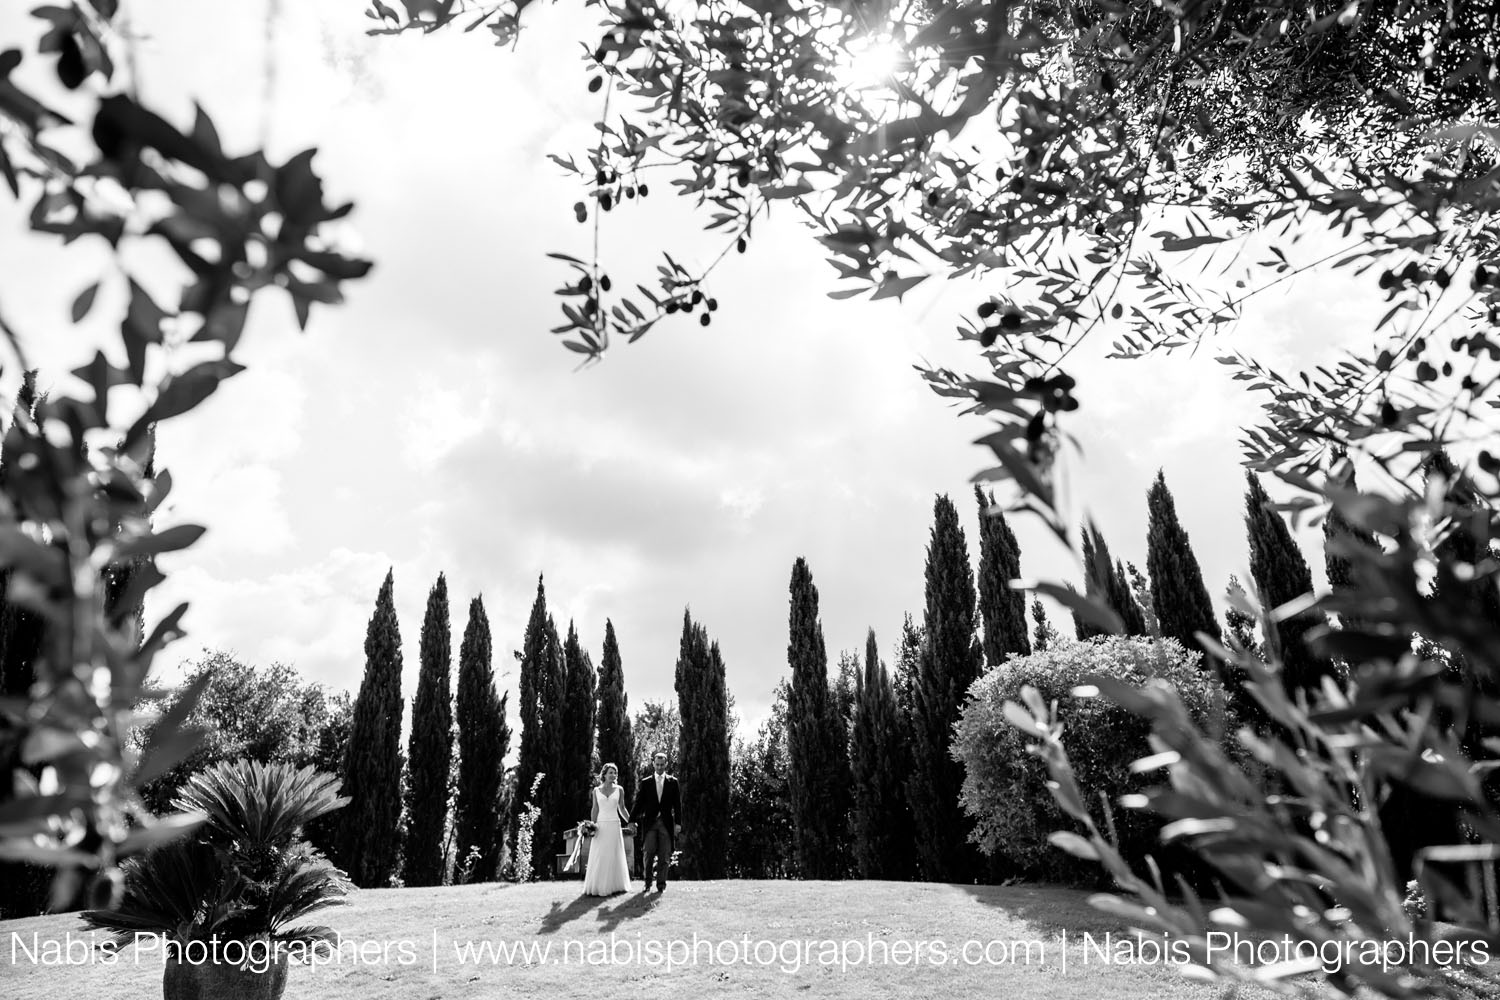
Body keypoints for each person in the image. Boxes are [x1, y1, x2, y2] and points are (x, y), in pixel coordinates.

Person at [630, 751, 680, 892]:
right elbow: (638, 803)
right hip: (650, 823)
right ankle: (647, 883)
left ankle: (661, 885)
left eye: (662, 765)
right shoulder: (646, 782)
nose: (659, 767)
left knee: (664, 856)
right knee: (648, 853)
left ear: (666, 765)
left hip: (666, 823)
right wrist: (631, 820)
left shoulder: (673, 782)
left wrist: (678, 824)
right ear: (653, 764)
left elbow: (677, 805)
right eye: (657, 764)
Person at [581, 763, 631, 896]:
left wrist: (630, 821)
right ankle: (597, 886)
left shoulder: (619, 789)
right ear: (604, 774)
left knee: (614, 855)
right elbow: (595, 809)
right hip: (601, 826)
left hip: (614, 824)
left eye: (615, 773)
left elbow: (622, 808)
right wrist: (592, 825)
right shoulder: (596, 791)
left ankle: (615, 886)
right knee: (600, 855)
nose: (613, 775)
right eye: (610, 773)